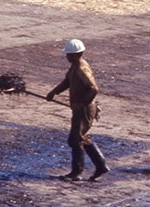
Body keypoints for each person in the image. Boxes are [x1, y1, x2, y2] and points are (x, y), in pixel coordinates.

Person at [46, 39, 109, 182]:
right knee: (80, 137)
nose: (66, 57)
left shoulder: (81, 68)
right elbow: (67, 82)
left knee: (75, 139)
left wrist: (83, 104)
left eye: (69, 55)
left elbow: (94, 89)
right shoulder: (74, 66)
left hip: (84, 109)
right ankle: (100, 166)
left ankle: (77, 173)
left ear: (77, 54)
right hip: (80, 108)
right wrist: (54, 92)